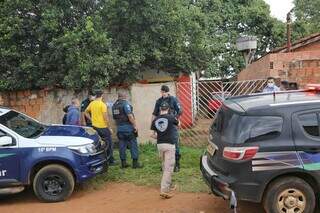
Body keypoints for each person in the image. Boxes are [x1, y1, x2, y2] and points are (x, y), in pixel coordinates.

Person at [151, 102, 179, 199]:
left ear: (160, 109)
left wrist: (160, 135)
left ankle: (168, 185)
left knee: (164, 165)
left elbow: (153, 135)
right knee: (168, 168)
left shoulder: (155, 119)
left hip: (160, 145)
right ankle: (164, 190)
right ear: (168, 109)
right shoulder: (171, 117)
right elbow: (179, 124)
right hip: (169, 145)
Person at [152, 85, 182, 172]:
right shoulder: (159, 101)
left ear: (168, 92)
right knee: (163, 144)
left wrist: (175, 118)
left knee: (175, 144)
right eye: (162, 92)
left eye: (165, 92)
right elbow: (154, 114)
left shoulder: (173, 99)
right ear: (161, 92)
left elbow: (180, 111)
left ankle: (176, 164)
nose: (163, 94)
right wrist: (153, 128)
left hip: (172, 125)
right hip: (162, 126)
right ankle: (164, 165)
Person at [112, 92, 143, 169]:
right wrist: (135, 126)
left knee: (122, 145)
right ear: (124, 96)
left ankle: (123, 163)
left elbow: (115, 118)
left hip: (119, 129)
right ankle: (135, 164)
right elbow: (130, 116)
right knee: (133, 144)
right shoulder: (125, 104)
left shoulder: (114, 106)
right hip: (128, 128)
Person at [84, 90, 116, 165]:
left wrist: (91, 119)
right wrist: (109, 128)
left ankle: (99, 159)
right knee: (109, 143)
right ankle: (110, 160)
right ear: (102, 95)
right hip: (103, 127)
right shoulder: (102, 104)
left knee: (98, 144)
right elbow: (105, 118)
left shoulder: (92, 103)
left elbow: (85, 112)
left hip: (94, 127)